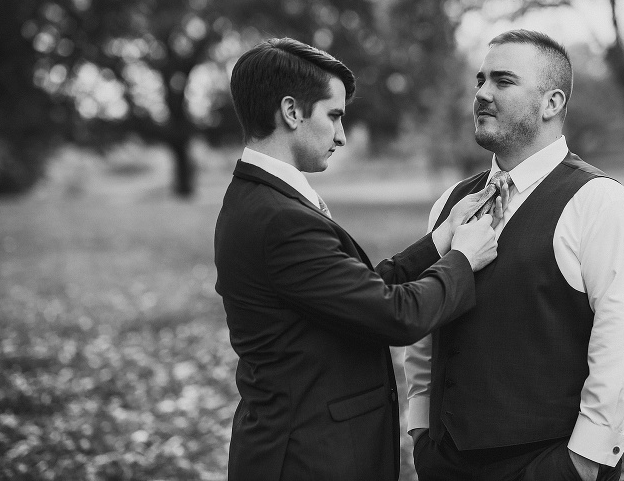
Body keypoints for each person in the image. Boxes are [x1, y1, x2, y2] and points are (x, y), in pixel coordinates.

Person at [214, 37, 507, 481]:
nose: (342, 135)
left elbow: (358, 288)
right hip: (307, 458)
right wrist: (463, 259)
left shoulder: (259, 198)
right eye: (333, 116)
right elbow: (395, 314)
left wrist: (441, 238)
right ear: (291, 112)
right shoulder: (279, 219)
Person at [404, 29, 624, 481]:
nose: (482, 93)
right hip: (444, 460)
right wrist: (421, 428)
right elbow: (427, 330)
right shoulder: (449, 204)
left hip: (545, 464)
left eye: (503, 81)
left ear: (552, 103)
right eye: (480, 81)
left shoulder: (601, 204)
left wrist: (582, 463)